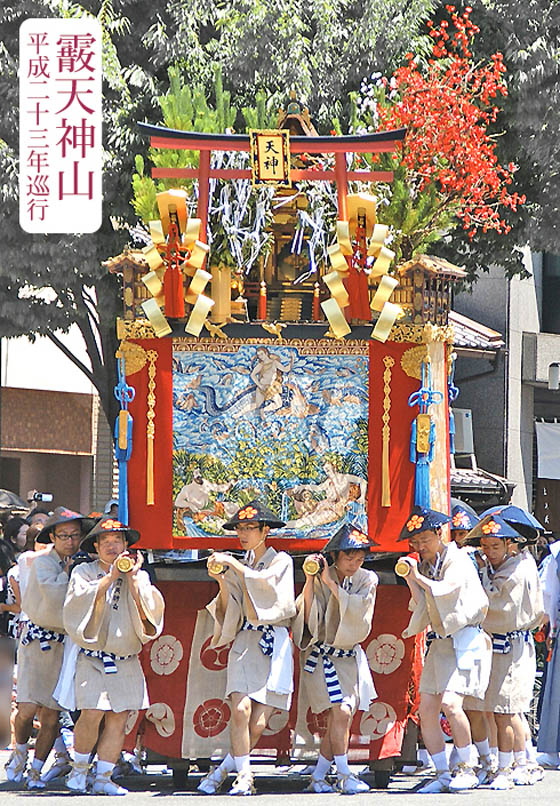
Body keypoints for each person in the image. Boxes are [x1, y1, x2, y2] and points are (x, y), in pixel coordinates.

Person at [198, 501, 295, 796]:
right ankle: (244, 775)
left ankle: (224, 769)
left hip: (273, 642)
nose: (243, 533)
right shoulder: (242, 564)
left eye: (250, 528)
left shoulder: (282, 561)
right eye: (240, 528)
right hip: (245, 640)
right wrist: (223, 583)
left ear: (266, 531)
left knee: (259, 721)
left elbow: (268, 589)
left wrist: (235, 566)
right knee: (239, 709)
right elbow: (232, 611)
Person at [63, 517, 165, 795]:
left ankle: (104, 777)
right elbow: (76, 603)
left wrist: (131, 578)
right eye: (105, 542)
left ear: (126, 546)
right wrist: (109, 578)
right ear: (95, 546)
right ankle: (79, 771)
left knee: (119, 717)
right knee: (92, 713)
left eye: (117, 541)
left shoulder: (139, 575)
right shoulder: (83, 571)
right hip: (93, 657)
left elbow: (150, 613)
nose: (111, 547)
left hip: (124, 658)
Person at [398, 506, 492, 793]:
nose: (420, 546)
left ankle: (467, 765)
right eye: (415, 542)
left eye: (425, 539)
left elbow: (445, 590)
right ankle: (441, 773)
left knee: (452, 704)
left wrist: (418, 576)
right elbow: (422, 602)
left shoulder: (459, 559)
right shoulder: (427, 565)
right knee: (427, 709)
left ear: (440, 534)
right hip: (440, 642)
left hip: (465, 639)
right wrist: (410, 579)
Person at [461, 515, 544, 789]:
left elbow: (492, 602)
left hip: (512, 645)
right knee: (485, 707)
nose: (488, 551)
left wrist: (481, 573)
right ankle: (503, 762)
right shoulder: (507, 565)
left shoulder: (517, 569)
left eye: (495, 546)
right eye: (485, 545)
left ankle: (511, 766)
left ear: (510, 544)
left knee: (506, 710)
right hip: (490, 644)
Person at [295, 523, 378, 794]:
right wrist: (311, 580)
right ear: (335, 556)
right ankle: (344, 773)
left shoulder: (368, 579)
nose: (354, 563)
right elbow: (307, 615)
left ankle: (319, 776)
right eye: (348, 557)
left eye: (359, 557)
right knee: (340, 711)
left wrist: (333, 586)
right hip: (322, 655)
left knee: (340, 718)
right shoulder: (321, 574)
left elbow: (359, 612)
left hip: (349, 655)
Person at [5, 507, 84, 789]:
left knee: (52, 711)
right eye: (64, 535)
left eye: (75, 535)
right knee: (26, 707)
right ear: (53, 536)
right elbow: (56, 596)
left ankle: (37, 769)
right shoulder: (38, 561)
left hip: (68, 642)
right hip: (38, 639)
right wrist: (70, 575)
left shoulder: (82, 562)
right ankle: (19, 753)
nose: (71, 541)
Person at [536, 535, 560, 768]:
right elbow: (549, 595)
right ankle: (552, 751)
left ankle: (552, 752)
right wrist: (552, 630)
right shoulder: (557, 552)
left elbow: (548, 595)